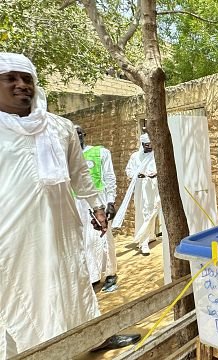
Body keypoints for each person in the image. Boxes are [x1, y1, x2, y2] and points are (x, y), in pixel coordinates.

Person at [0, 53, 139, 358]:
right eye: (10, 78)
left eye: (27, 78)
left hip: (62, 227)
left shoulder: (61, 128)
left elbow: (80, 175)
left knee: (73, 284)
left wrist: (98, 207)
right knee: (22, 300)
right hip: (13, 239)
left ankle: (92, 337)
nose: (21, 84)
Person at [74, 125, 119, 291]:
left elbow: (109, 177)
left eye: (78, 133)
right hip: (77, 202)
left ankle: (110, 274)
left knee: (103, 238)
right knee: (85, 241)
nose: (76, 137)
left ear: (84, 135)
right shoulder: (67, 157)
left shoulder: (100, 152)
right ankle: (92, 275)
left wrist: (110, 202)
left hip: (97, 201)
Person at [124, 133, 161, 256]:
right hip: (142, 187)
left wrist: (154, 174)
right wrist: (138, 174)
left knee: (153, 211)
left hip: (154, 186)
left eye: (151, 144)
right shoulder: (135, 157)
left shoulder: (156, 155)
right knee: (144, 212)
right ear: (142, 145)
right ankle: (143, 242)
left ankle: (151, 236)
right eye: (147, 145)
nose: (149, 147)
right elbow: (129, 171)